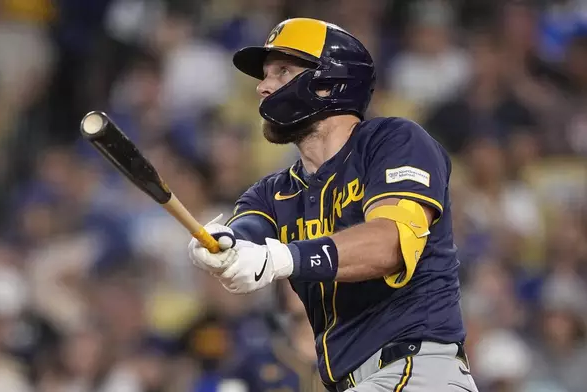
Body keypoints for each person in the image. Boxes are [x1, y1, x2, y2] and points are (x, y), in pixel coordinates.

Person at [188, 18, 479, 392]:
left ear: (328, 84)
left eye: (282, 72)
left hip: (415, 371)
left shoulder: (393, 141)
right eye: (265, 75)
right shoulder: (270, 192)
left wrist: (282, 258)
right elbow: (246, 237)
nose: (262, 87)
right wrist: (220, 248)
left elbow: (390, 243)